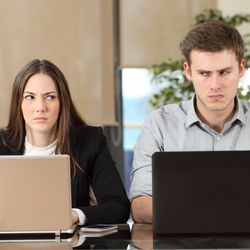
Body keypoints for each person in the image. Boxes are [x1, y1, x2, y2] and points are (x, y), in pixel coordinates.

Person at [130, 20, 250, 223]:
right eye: (204, 73)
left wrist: (190, 209)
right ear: (188, 71)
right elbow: (140, 207)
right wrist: (220, 213)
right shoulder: (160, 123)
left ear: (240, 68)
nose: (215, 85)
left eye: (224, 72)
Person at [0, 59, 130, 225]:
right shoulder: (2, 144)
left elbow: (118, 206)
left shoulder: (89, 140)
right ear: (19, 103)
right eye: (30, 97)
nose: (40, 107)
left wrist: (74, 215)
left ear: (62, 102)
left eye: (50, 97)